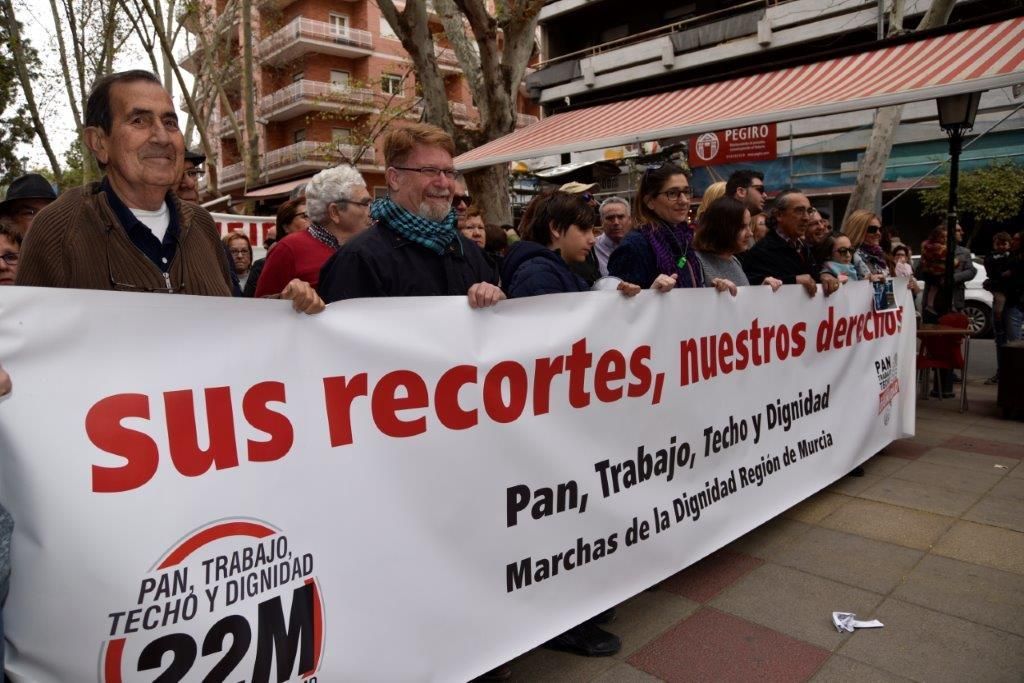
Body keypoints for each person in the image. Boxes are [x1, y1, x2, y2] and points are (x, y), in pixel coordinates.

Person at [16, 69, 322, 313]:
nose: (161, 137)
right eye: (139, 120)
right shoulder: (59, 228)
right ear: (99, 142)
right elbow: (29, 340)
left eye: (170, 121)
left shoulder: (201, 225)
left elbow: (230, 320)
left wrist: (283, 309)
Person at [499, 191, 636, 659]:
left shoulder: (560, 270)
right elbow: (545, 352)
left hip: (564, 416)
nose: (594, 238)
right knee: (556, 523)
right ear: (557, 229)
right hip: (551, 421)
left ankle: (577, 608)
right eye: (587, 229)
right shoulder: (538, 273)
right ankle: (562, 622)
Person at [318, 123, 502, 308]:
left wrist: (499, 301)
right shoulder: (359, 259)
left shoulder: (470, 253)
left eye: (448, 172)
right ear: (394, 178)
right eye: (429, 171)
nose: (443, 183)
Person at [256, 165, 370, 297]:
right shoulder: (288, 249)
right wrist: (288, 299)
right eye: (365, 204)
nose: (371, 211)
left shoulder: (369, 247)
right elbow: (260, 309)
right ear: (335, 212)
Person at [607, 162, 704, 292]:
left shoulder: (684, 238)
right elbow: (619, 304)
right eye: (673, 193)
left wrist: (713, 289)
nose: (684, 200)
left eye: (686, 192)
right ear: (650, 202)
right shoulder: (634, 246)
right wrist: (651, 292)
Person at [739, 189, 840, 297]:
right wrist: (793, 281)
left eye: (809, 211)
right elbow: (752, 287)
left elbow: (812, 278)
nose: (806, 218)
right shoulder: (761, 252)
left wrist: (824, 276)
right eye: (799, 211)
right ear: (779, 215)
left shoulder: (803, 247)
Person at [693, 196, 781, 295]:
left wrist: (762, 290)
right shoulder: (697, 262)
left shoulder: (733, 260)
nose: (750, 233)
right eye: (742, 227)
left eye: (748, 226)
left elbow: (741, 302)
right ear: (723, 228)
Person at [243, 198, 310, 298]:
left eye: (313, 216)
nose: (312, 221)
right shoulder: (276, 256)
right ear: (286, 227)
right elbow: (259, 301)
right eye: (305, 216)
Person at [984, 231, 1014, 384]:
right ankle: (1002, 372)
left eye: (1004, 243)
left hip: (1010, 301)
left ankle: (1007, 373)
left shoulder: (1013, 257)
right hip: (1000, 296)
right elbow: (993, 273)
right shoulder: (991, 258)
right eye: (998, 243)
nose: (1001, 247)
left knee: (1011, 339)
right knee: (1001, 337)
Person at [841, 210, 888, 282]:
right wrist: (866, 281)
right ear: (858, 230)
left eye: (880, 229)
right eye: (872, 229)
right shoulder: (848, 255)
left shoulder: (880, 256)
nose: (878, 233)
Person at [594, 196, 632, 276]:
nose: (616, 222)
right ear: (601, 222)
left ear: (629, 219)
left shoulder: (642, 245)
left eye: (621, 217)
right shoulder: (592, 248)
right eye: (610, 218)